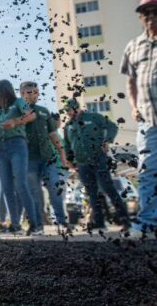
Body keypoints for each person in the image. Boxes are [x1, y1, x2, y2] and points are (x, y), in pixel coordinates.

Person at [62, 98, 130, 230]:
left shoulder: (93, 117)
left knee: (107, 188)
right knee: (92, 193)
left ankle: (125, 219)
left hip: (99, 159)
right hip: (82, 163)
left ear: (77, 108)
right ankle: (99, 222)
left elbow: (112, 126)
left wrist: (107, 140)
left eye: (69, 110)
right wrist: (69, 160)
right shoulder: (68, 126)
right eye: (66, 111)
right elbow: (67, 145)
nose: (68, 113)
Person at [121, 0, 157, 236]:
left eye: (155, 13)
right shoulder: (134, 46)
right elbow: (130, 82)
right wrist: (134, 107)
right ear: (141, 18)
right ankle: (148, 222)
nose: (151, 18)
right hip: (148, 122)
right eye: (146, 14)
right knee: (147, 173)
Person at [0, 80, 42, 235]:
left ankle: (35, 225)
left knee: (21, 185)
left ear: (4, 91)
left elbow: (32, 115)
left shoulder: (19, 102)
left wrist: (15, 121)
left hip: (17, 145)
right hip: (2, 148)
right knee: (6, 188)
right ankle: (15, 225)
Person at [19, 81, 71, 229]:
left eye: (37, 91)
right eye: (32, 92)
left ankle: (61, 221)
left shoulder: (44, 111)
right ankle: (37, 224)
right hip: (29, 160)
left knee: (55, 187)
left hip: (49, 158)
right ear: (23, 94)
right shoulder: (15, 111)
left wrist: (61, 153)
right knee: (34, 192)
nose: (36, 94)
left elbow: (53, 133)